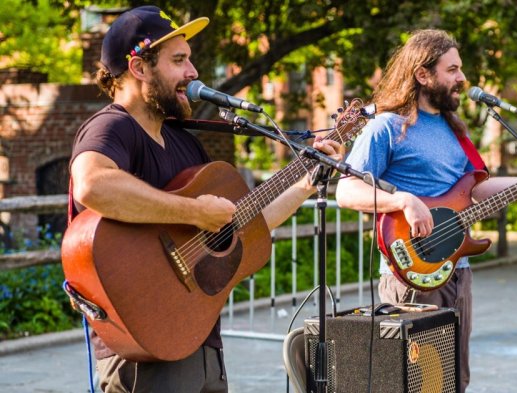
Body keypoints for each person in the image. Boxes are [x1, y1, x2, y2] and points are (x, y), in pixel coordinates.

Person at [69, 6, 341, 392]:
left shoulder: (185, 143)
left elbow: (243, 223)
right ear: (139, 68)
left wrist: (306, 183)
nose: (193, 73)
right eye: (179, 60)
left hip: (198, 339)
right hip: (145, 350)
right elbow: (92, 185)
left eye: (190, 60)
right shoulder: (112, 127)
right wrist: (195, 211)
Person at [335, 29, 517, 392]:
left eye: (460, 69)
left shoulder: (455, 131)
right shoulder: (387, 127)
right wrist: (402, 200)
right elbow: (346, 190)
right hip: (411, 275)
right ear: (423, 74)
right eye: (452, 70)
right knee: (412, 384)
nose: (462, 79)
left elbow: (478, 190)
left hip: (457, 272)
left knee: (452, 381)